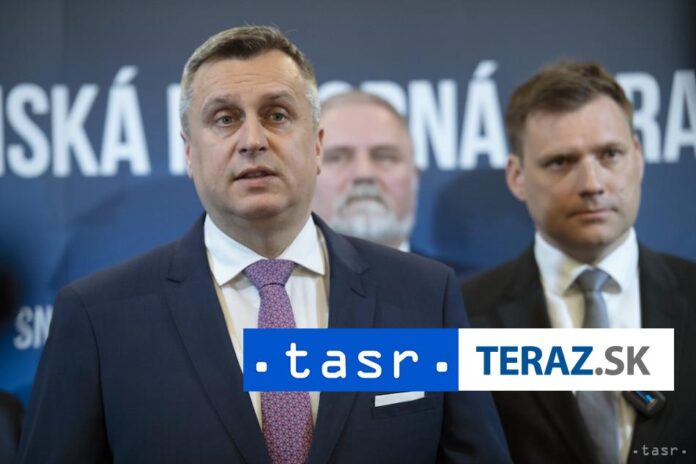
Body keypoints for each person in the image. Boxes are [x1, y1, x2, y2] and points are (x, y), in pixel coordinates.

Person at [17, 26, 510, 463]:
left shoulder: (425, 297)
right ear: (189, 153)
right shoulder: (98, 317)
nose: (252, 139)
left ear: (316, 144)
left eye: (276, 115)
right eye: (224, 119)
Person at [461, 60, 696, 464]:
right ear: (516, 177)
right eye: (561, 162)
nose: (592, 184)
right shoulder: (463, 314)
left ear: (638, 157)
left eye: (610, 154)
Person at [311, 91, 418, 250]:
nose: (363, 173)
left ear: (415, 177)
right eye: (337, 158)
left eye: (385, 157)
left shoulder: (445, 269)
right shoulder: (277, 267)